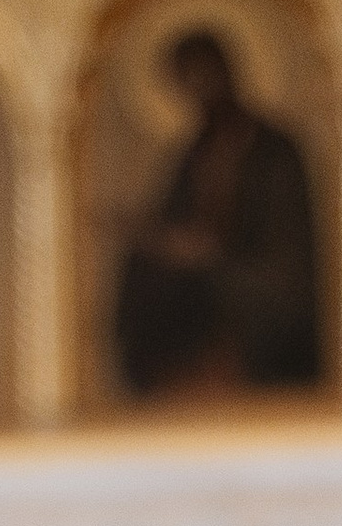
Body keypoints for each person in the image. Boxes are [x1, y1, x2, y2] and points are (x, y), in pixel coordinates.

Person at [113, 27, 320, 397]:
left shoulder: (275, 150)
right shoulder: (191, 153)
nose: (199, 90)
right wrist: (157, 238)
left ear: (226, 72)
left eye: (205, 75)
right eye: (187, 82)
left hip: (259, 289)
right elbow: (169, 223)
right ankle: (167, 382)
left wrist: (209, 255)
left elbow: (287, 251)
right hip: (196, 291)